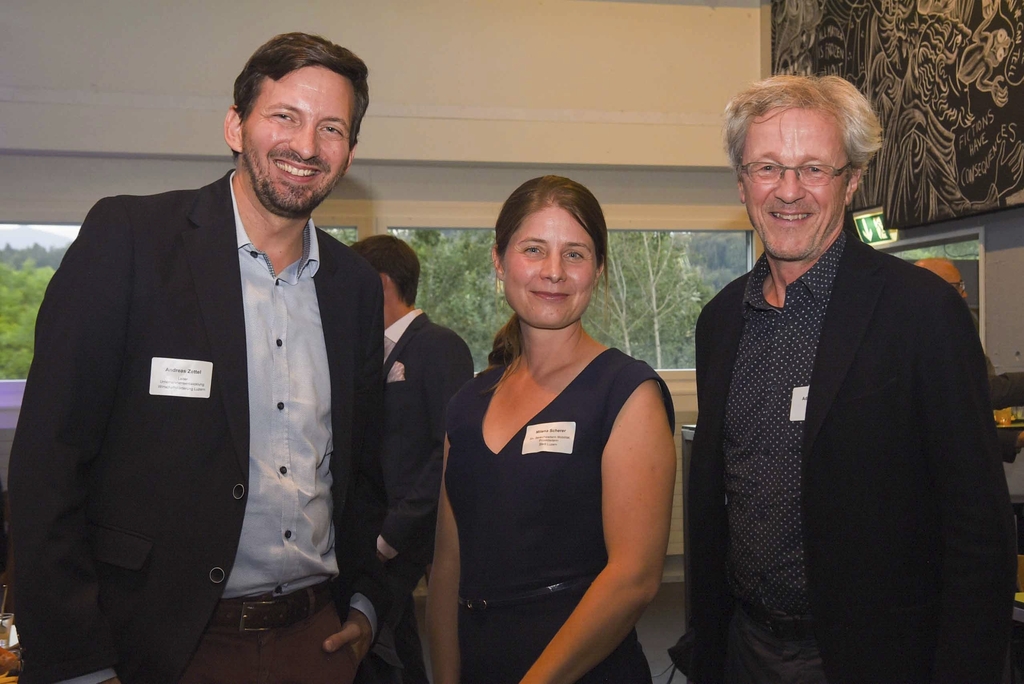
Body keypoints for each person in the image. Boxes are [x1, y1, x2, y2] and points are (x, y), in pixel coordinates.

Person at [9, 33, 389, 684]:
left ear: (349, 151)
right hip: (159, 649)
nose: (306, 146)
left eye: (331, 128)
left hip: (315, 645)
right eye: (285, 117)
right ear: (235, 126)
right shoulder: (131, 242)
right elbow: (48, 469)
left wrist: (365, 603)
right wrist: (76, 664)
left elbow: (361, 465)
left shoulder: (352, 286)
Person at [687, 75, 1015, 683]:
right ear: (741, 182)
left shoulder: (920, 312)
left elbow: (977, 529)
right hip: (744, 649)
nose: (789, 191)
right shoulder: (721, 321)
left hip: (877, 659)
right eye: (767, 167)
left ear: (852, 181)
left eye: (814, 168)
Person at [427, 175, 677, 684]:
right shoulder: (467, 403)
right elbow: (447, 569)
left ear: (599, 269)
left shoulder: (627, 393)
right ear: (499, 261)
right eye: (534, 249)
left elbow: (634, 580)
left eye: (575, 254)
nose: (554, 272)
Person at [349, 235, 474, 684]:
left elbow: (449, 449)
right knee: (392, 646)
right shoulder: (371, 351)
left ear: (380, 283)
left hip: (411, 533)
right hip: (375, 529)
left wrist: (391, 535)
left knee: (386, 647)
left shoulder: (439, 345)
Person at [915, 257, 1024, 462]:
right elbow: (977, 391)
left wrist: (1012, 440)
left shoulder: (948, 331)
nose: (965, 294)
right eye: (959, 286)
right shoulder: (916, 340)